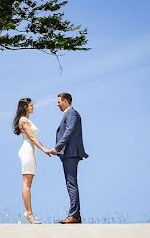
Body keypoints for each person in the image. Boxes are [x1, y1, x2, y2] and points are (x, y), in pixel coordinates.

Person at [43, 92, 89, 224]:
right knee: (71, 183)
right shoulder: (69, 114)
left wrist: (57, 148)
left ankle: (74, 215)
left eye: (59, 102)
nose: (57, 104)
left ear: (65, 101)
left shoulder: (71, 114)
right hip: (67, 154)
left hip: (70, 153)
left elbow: (68, 132)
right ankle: (75, 215)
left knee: (71, 184)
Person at [12, 97, 53, 224]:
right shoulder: (23, 120)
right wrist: (44, 149)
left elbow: (34, 138)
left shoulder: (27, 120)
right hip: (27, 151)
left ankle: (29, 212)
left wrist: (45, 149)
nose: (33, 107)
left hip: (31, 150)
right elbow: (31, 137)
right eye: (31, 105)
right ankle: (28, 213)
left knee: (29, 183)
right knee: (26, 183)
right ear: (25, 107)